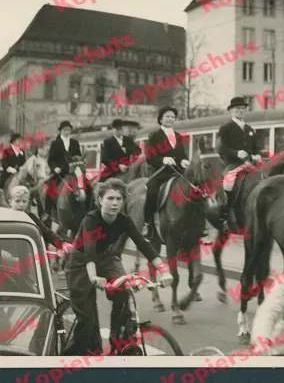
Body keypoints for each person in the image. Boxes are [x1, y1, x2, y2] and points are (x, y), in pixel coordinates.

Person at [64, 179, 173, 356]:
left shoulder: (124, 220)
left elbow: (144, 245)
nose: (115, 203)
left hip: (107, 259)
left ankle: (118, 340)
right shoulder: (92, 219)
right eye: (110, 198)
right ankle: (63, 361)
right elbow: (90, 252)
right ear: (100, 200)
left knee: (123, 292)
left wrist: (164, 270)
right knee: (88, 323)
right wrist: (94, 277)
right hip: (81, 263)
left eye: (119, 199)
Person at [141, 106, 190, 238]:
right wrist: (163, 159)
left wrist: (184, 161)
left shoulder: (178, 136)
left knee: (194, 188)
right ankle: (147, 223)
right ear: (161, 119)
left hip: (177, 171)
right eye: (167, 116)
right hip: (160, 172)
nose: (170, 119)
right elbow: (149, 157)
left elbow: (182, 155)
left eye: (173, 117)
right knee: (152, 191)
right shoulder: (155, 135)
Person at [217, 97, 262, 230]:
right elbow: (220, 148)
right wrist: (236, 153)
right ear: (231, 111)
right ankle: (226, 213)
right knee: (228, 182)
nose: (240, 111)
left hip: (249, 163)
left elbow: (256, 147)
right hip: (232, 164)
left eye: (242, 108)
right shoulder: (225, 128)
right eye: (237, 109)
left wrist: (257, 154)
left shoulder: (250, 128)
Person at [46, 121, 86, 215]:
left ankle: (87, 209)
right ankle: (47, 213)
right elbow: (50, 159)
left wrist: (81, 164)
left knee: (86, 186)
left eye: (68, 130)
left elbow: (78, 157)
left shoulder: (75, 143)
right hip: (60, 173)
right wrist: (55, 168)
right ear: (60, 131)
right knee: (49, 188)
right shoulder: (55, 143)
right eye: (64, 130)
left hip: (73, 172)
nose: (67, 132)